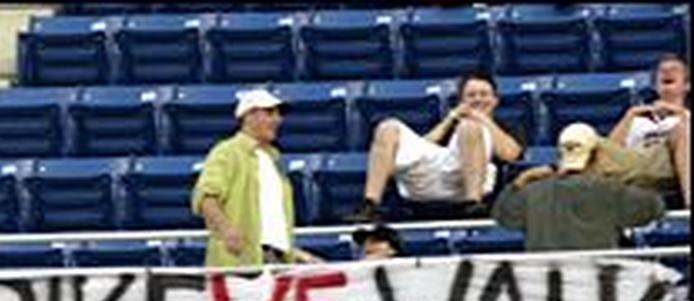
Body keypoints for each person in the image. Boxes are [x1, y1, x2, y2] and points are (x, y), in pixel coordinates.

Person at [347, 71, 525, 223]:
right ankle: (370, 204)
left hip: (469, 183)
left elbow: (511, 154)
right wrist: (451, 119)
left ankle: (473, 204)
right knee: (387, 128)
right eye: (471, 95)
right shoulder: (447, 125)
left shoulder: (506, 127)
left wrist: (482, 119)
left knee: (470, 128)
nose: (478, 99)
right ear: (461, 101)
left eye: (484, 94)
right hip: (429, 180)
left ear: (495, 100)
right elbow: (422, 149)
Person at [191, 87, 320, 268]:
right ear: (248, 116)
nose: (277, 119)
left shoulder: (273, 158)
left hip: (273, 261)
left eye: (278, 114)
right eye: (269, 113)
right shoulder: (227, 152)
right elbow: (205, 197)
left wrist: (296, 254)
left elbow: (270, 226)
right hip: (239, 263)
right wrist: (227, 230)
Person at [492, 122, 666, 251]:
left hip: (547, 283)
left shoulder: (532, 192)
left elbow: (503, 216)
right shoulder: (611, 190)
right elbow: (654, 207)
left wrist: (521, 180)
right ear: (598, 155)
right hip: (596, 281)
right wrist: (625, 169)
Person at [590, 53, 690, 208]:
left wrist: (680, 113)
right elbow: (610, 150)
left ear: (687, 85)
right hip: (635, 163)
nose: (667, 72)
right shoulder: (637, 118)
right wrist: (630, 115)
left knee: (681, 131)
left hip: (666, 166)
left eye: (674, 69)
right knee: (581, 135)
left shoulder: (687, 117)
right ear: (655, 85)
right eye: (662, 71)